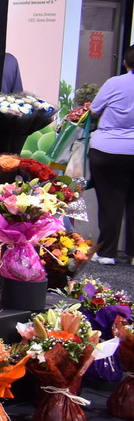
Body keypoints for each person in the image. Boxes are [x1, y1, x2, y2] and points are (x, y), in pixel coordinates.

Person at [87, 45, 134, 264]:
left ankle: (106, 253)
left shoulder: (114, 83)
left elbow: (94, 110)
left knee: (110, 202)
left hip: (108, 150)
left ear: (125, 63)